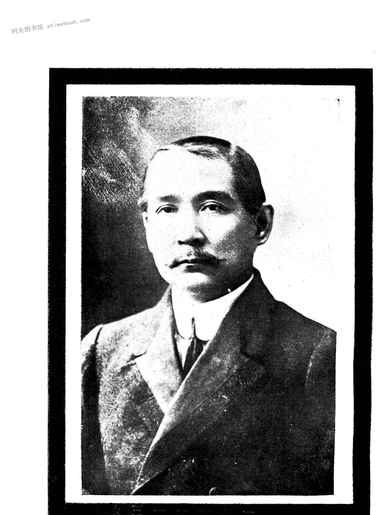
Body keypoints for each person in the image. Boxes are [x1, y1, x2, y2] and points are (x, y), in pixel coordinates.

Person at [81, 136, 336, 496]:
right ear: (147, 226)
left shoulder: (317, 354)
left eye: (213, 207)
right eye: (166, 210)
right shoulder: (102, 349)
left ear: (261, 224)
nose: (189, 234)